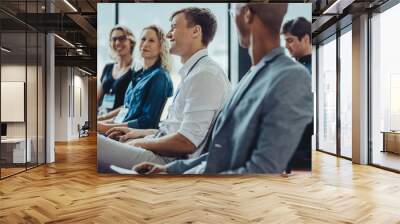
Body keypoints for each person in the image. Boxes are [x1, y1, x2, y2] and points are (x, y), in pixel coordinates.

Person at [133, 3, 313, 174]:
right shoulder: (252, 75)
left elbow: (262, 170)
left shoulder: (290, 77)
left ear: (247, 14)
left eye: (231, 13)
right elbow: (221, 152)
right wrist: (172, 170)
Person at [97, 7, 231, 172]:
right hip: (157, 145)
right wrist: (136, 133)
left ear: (196, 31)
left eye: (174, 27)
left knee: (94, 142)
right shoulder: (194, 73)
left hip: (164, 158)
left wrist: (139, 141)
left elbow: (186, 142)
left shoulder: (205, 75)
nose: (168, 35)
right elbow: (173, 129)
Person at [97, 25, 174, 133]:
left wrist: (105, 127)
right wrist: (105, 123)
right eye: (143, 39)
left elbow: (147, 122)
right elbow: (126, 110)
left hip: (134, 136)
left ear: (161, 46)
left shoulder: (160, 76)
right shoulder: (138, 75)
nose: (145, 44)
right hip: (119, 128)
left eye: (151, 41)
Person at [98, 25, 135, 115]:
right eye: (114, 39)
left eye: (122, 38)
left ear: (131, 42)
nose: (117, 42)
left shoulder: (136, 70)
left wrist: (104, 119)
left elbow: (130, 105)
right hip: (100, 116)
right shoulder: (108, 67)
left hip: (118, 120)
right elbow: (98, 97)